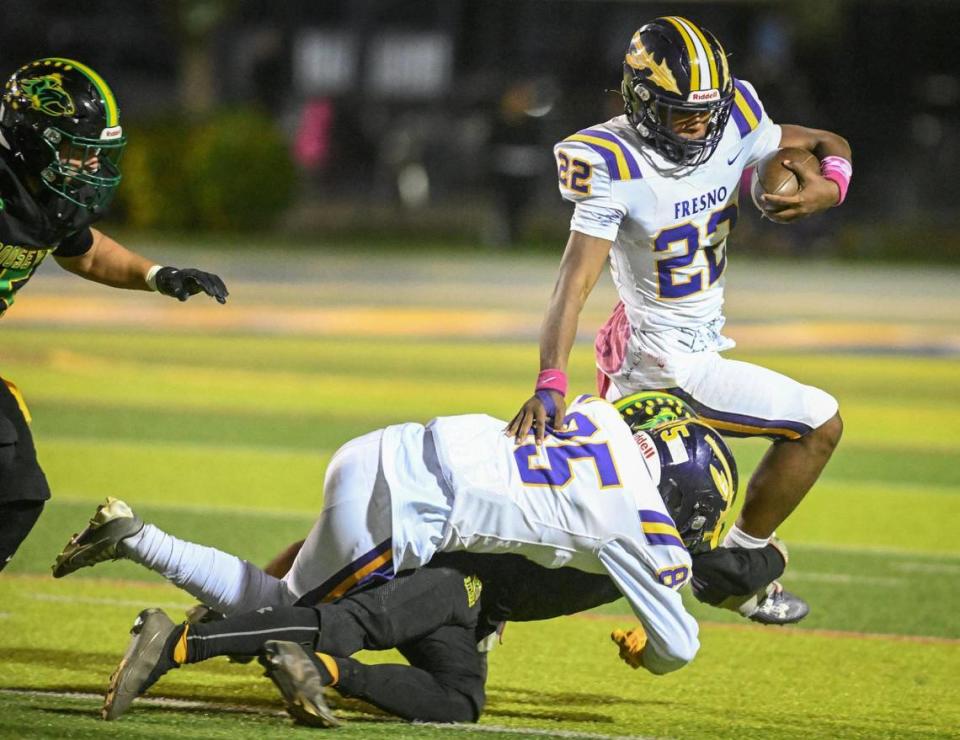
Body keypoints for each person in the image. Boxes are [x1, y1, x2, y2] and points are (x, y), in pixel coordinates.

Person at [56, 396, 750, 711]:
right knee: (281, 611)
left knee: (296, 597)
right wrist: (645, 650)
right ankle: (145, 557)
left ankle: (146, 556)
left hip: (390, 450)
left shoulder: (601, 417)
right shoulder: (644, 526)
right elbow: (679, 646)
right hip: (404, 510)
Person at [506, 17, 851, 594]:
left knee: (602, 526)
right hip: (665, 364)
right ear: (640, 100)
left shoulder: (733, 115)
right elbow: (573, 283)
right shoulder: (612, 159)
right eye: (679, 111)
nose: (698, 124)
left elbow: (825, 143)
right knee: (819, 424)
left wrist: (832, 183)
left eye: (706, 110)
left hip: (681, 347)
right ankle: (738, 568)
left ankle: (485, 598)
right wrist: (550, 379)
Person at [97, 541, 788, 726]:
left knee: (461, 697)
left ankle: (317, 672)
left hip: (477, 604)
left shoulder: (660, 539)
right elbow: (723, 564)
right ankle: (178, 644)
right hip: (456, 570)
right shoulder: (637, 523)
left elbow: (735, 563)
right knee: (347, 623)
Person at [0, 58, 228, 570]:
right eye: (77, 151)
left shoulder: (39, 194)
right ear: (32, 138)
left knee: (16, 494)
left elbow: (83, 250)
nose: (87, 167)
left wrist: (157, 275)